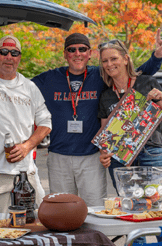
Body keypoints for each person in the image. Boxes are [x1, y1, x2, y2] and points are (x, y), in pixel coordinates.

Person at [32, 30, 162, 206]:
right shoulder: (50, 78)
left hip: (105, 155)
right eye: (71, 50)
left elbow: (136, 74)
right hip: (64, 155)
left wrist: (157, 56)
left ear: (89, 54)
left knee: (149, 205)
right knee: (65, 210)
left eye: (82, 49)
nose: (77, 53)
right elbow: (19, 87)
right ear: (65, 54)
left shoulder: (99, 75)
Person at [0, 35, 52, 217]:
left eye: (14, 53)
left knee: (37, 223)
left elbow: (46, 123)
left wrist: (27, 146)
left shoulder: (30, 87)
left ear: (19, 57)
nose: (9, 57)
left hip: (27, 172)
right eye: (4, 52)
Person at [98, 39, 162, 185]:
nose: (109, 64)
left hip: (151, 152)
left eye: (114, 59)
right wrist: (104, 154)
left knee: (155, 201)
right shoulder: (106, 95)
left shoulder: (147, 82)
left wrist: (160, 98)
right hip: (120, 158)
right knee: (128, 203)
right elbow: (104, 132)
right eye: (105, 61)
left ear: (126, 59)